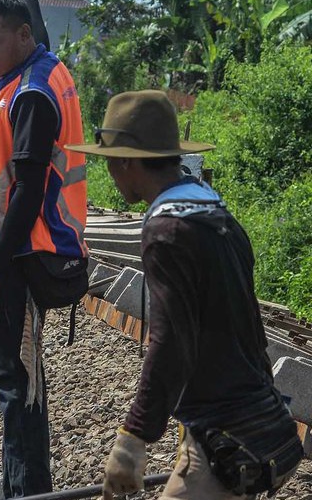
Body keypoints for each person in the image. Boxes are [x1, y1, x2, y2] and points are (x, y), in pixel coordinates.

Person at [65, 91, 304, 500]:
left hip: (224, 429)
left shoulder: (166, 233)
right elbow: (247, 324)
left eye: (109, 162)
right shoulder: (218, 216)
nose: (110, 173)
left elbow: (172, 340)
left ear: (125, 160)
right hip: (254, 417)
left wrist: (133, 438)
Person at [0, 0, 88, 495]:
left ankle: (27, 491)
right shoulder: (42, 64)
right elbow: (37, 31)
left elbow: (29, 190)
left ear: (20, 38)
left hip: (22, 253)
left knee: (16, 385)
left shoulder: (32, 92)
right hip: (31, 248)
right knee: (22, 382)